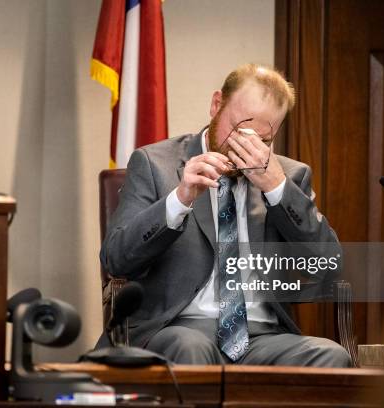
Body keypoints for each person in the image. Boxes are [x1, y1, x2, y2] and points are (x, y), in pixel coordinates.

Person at [97, 64, 351, 367]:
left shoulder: (291, 177)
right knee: (189, 347)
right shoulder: (155, 164)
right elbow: (116, 259)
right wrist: (179, 199)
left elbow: (328, 265)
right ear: (216, 104)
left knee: (331, 356)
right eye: (239, 130)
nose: (244, 148)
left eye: (263, 140)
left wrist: (277, 189)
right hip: (179, 326)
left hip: (263, 336)